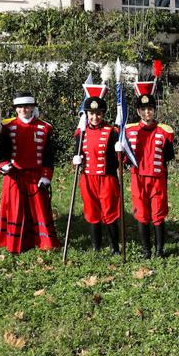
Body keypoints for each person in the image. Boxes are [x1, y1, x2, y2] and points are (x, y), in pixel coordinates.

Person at [0, 91, 57, 253]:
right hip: (14, 176)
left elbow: (49, 156)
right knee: (15, 210)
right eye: (19, 107)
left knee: (39, 210)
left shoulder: (45, 128)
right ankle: (16, 244)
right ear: (15, 108)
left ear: (32, 107)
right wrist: (4, 165)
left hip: (36, 176)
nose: (23, 109)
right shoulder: (6, 127)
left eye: (27, 106)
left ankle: (43, 242)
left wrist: (46, 176)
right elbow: (0, 155)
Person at [122, 80, 174, 258]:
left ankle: (160, 250)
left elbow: (168, 155)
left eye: (150, 109)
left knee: (158, 214)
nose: (147, 112)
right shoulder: (128, 131)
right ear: (138, 111)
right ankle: (146, 250)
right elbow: (124, 157)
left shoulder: (165, 131)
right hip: (138, 178)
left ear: (154, 110)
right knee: (142, 214)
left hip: (157, 178)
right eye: (143, 109)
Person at [71, 84, 121, 254]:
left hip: (107, 178)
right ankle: (96, 246)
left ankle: (115, 247)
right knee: (92, 211)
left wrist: (120, 153)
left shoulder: (112, 131)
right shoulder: (81, 133)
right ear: (86, 114)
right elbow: (76, 153)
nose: (95, 117)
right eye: (91, 114)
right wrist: (76, 160)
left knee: (110, 211)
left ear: (103, 114)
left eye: (98, 113)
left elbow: (120, 158)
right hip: (87, 177)